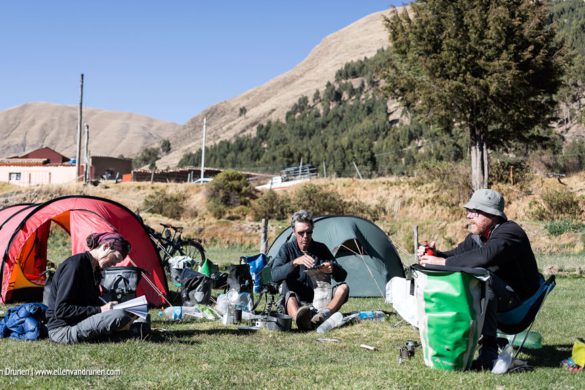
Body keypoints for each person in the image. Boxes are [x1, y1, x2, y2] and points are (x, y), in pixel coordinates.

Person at [418, 189, 542, 370]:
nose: (469, 216)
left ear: (492, 215)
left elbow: (485, 257)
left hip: (519, 302)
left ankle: (489, 351)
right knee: (470, 274)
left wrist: (443, 261)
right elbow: (456, 256)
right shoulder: (477, 238)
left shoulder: (511, 232)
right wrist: (434, 255)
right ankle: (450, 341)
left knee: (483, 277)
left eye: (475, 212)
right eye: (468, 211)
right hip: (497, 295)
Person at [46, 232, 135, 344]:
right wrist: (101, 309)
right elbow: (62, 310)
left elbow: (89, 302)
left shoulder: (95, 269)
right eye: (115, 258)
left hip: (80, 321)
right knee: (119, 316)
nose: (114, 264)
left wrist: (110, 307)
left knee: (129, 314)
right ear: (106, 247)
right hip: (62, 330)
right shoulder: (74, 266)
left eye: (118, 262)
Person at [272, 210, 350, 331]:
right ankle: (300, 320)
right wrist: (294, 263)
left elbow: (342, 276)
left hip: (322, 300)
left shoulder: (321, 248)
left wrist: (332, 268)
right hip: (297, 301)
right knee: (288, 292)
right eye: (301, 233)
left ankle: (323, 316)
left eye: (309, 232)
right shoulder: (287, 249)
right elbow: (274, 275)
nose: (305, 237)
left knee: (343, 288)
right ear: (293, 232)